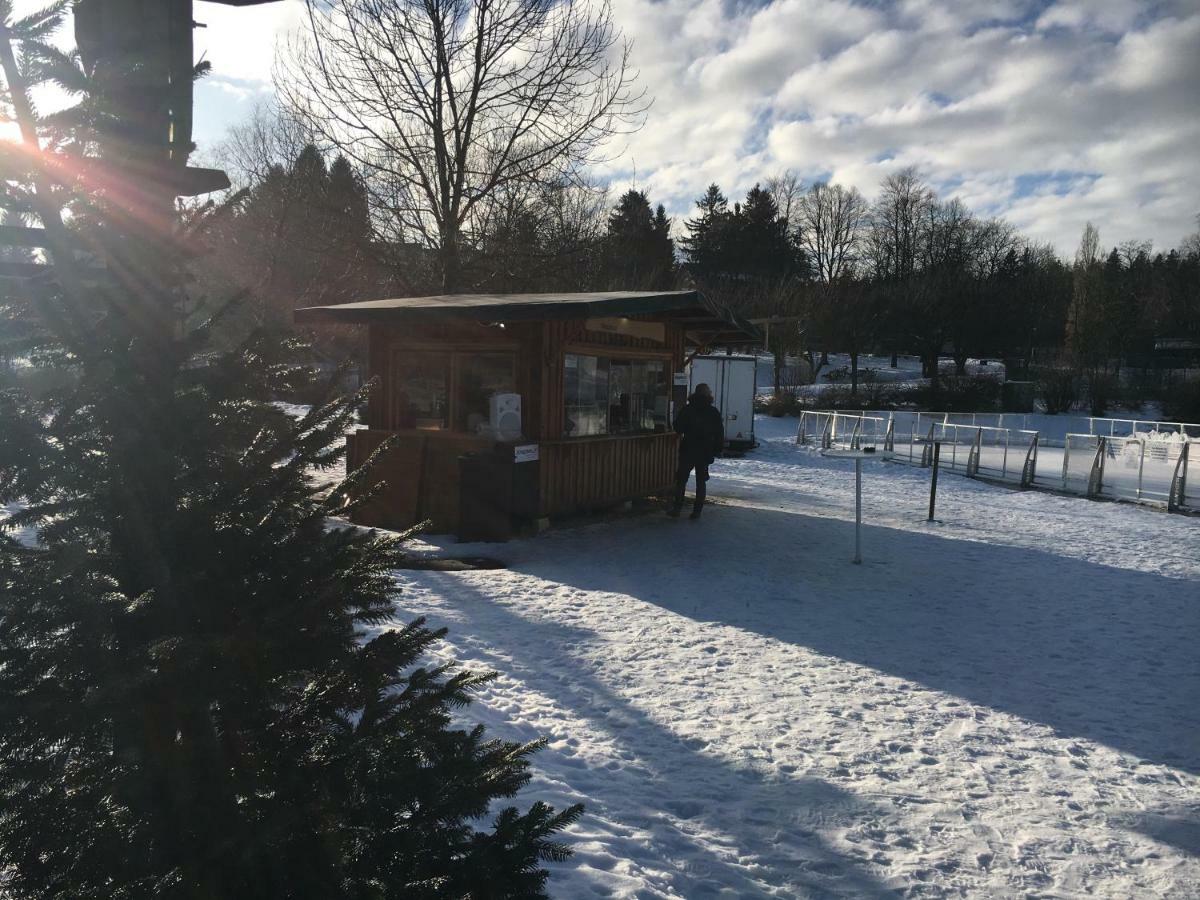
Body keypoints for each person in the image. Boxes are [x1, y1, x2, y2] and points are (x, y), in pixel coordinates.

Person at [669, 383, 724, 519]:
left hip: (688, 448)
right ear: (708, 395)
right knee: (701, 481)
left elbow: (678, 427)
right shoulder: (713, 412)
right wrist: (717, 449)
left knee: (681, 480)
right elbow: (719, 433)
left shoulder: (688, 409)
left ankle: (677, 508)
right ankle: (697, 511)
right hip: (704, 451)